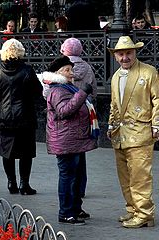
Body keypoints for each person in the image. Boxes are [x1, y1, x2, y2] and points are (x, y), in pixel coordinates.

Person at [107, 36, 159, 228]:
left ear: (135, 52)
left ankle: (145, 213)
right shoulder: (115, 77)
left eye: (128, 53)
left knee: (140, 177)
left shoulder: (148, 72)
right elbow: (114, 105)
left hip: (141, 133)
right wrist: (111, 126)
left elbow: (158, 100)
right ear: (115, 56)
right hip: (120, 135)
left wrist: (157, 125)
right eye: (121, 54)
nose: (125, 57)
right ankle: (134, 210)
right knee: (126, 178)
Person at [42, 55, 98, 224]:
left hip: (74, 139)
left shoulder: (67, 87)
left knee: (77, 176)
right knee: (68, 178)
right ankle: (66, 212)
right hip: (66, 141)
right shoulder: (58, 90)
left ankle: (75, 208)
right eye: (67, 70)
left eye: (71, 69)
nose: (71, 73)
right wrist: (83, 93)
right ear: (58, 73)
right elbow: (64, 111)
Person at [0, 38, 42, 195]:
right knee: (26, 153)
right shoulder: (27, 70)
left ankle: (11, 182)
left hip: (6, 117)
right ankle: (24, 184)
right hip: (25, 117)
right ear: (20, 52)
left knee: (7, 152)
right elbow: (37, 90)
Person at [60, 37, 97, 198]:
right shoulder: (87, 67)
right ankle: (80, 189)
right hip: (84, 115)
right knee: (81, 154)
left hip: (66, 118)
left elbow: (48, 92)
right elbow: (93, 90)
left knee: (67, 158)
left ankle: (70, 193)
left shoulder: (62, 67)